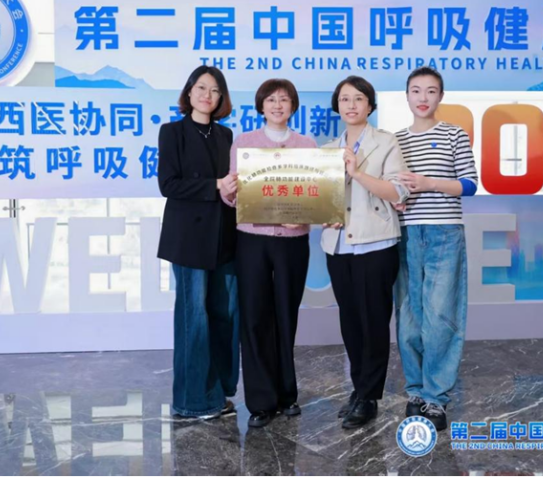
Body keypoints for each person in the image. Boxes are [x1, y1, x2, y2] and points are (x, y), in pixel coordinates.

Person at [221, 78, 318, 428]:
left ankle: (287, 394)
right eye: (271, 99)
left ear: (293, 106)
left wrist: (305, 215)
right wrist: (228, 191)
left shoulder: (307, 145)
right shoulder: (244, 143)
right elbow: (232, 196)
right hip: (252, 239)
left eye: (284, 99)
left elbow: (316, 193)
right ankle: (261, 401)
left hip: (293, 241)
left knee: (286, 316)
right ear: (261, 106)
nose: (278, 105)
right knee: (255, 316)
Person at [320, 75, 409, 429]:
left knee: (373, 321)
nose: (351, 105)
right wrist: (323, 215)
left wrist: (356, 173)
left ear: (370, 105)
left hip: (376, 242)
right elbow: (320, 198)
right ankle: (358, 389)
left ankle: (369, 397)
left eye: (358, 98)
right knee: (351, 321)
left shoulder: (386, 142)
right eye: (344, 99)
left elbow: (398, 192)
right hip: (338, 244)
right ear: (337, 106)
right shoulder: (327, 150)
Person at [393, 67, 478, 432]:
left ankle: (436, 398)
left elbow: (470, 185)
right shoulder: (395, 140)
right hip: (405, 234)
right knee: (409, 317)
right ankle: (415, 391)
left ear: (440, 96)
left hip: (444, 233)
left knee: (440, 316)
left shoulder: (454, 134)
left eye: (430, 91)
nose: (423, 97)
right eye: (416, 90)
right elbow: (390, 188)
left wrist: (429, 183)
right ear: (407, 96)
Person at [157, 65, 239, 420]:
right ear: (189, 92)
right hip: (189, 240)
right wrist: (215, 185)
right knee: (195, 317)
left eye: (215, 90)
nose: (208, 95)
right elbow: (168, 184)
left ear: (221, 98)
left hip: (225, 236)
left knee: (224, 314)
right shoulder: (172, 132)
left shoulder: (226, 135)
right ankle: (191, 400)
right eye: (202, 87)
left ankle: (218, 392)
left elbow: (233, 185)